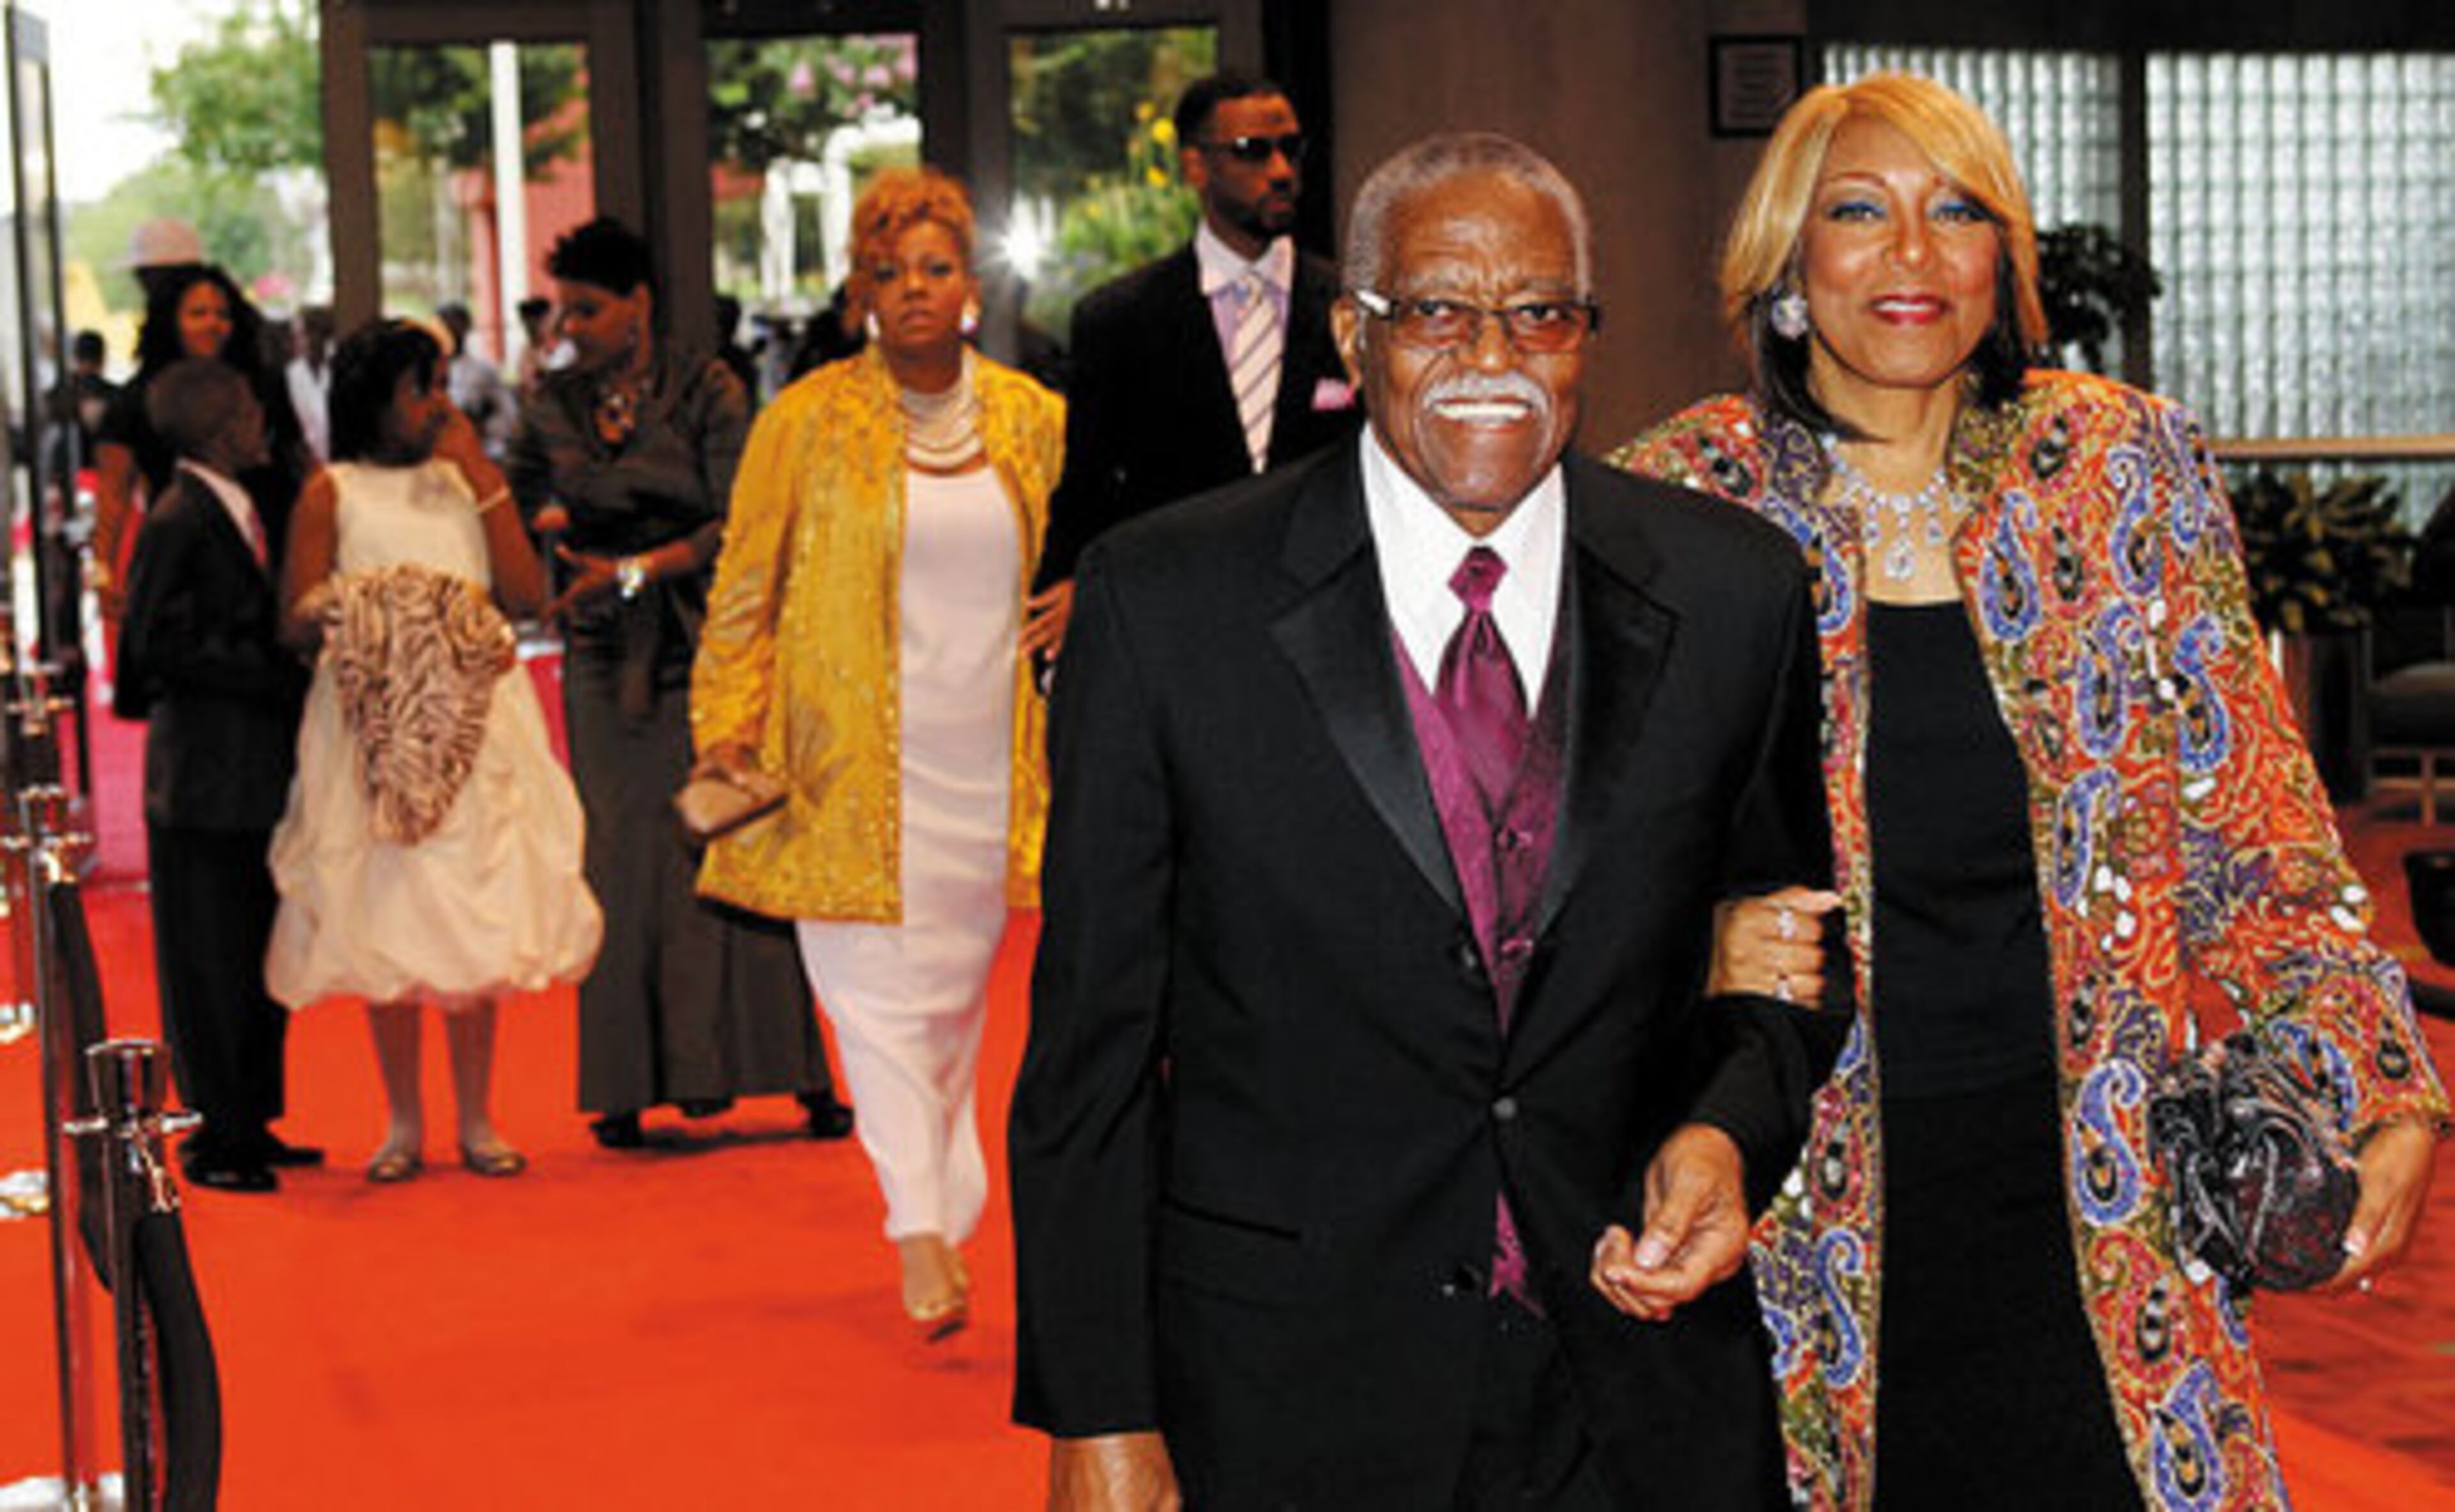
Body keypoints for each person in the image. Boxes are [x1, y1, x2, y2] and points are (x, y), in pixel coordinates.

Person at [1605, 74, 2450, 1510]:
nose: (1914, 255)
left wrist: (2392, 1091)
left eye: (1958, 213)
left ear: (2006, 261)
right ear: (1786, 262)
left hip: (2112, 1199)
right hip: (1812, 1210)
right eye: (1859, 212)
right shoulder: (1676, 506)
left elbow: (2259, 823)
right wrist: (1689, 945)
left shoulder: (2122, 469)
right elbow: (1560, 878)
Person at [1009, 132, 1846, 1509]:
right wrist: (1098, 1409)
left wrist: (1723, 1133)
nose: (1492, 353)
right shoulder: (1168, 605)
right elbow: (1091, 1054)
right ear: (1355, 327)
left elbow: (1789, 958)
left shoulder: (1731, 594)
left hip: (1632, 1375)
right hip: (1289, 1386)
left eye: (1541, 312)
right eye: (1438, 310)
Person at [694, 166, 1068, 1339]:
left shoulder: (1033, 419)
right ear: (860, 289)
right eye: (889, 271)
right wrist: (724, 731)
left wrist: (1084, 597)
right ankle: (917, 1221)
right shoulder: (801, 422)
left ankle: (937, 1186)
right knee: (869, 1003)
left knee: (947, 1010)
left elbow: (1090, 557)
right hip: (842, 765)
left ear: (973, 285)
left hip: (990, 761)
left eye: (937, 269)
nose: (913, 291)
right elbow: (744, 592)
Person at [507, 217, 850, 1150]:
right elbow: (520, 497)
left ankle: (796, 1076)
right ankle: (627, 1085)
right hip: (599, 654)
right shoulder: (552, 402)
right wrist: (552, 539)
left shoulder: (709, 388)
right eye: (563, 309)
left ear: (639, 304)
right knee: (620, 857)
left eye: (590, 308)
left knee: (731, 844)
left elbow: (742, 521)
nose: (572, 326)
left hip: (703, 642)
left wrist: (636, 566)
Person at [265, 318, 602, 1182]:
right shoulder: (329, 491)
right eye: (420, 389)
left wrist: (486, 479)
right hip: (373, 724)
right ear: (377, 400)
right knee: (387, 905)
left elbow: (526, 595)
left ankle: (479, 1115)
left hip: (475, 718)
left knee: (472, 896)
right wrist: (373, 614)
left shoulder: (464, 483)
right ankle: (403, 1120)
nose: (435, 405)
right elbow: (296, 616)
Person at [1034, 70, 1360, 603]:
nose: (1281, 171)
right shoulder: (1119, 320)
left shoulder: (1352, 309)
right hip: (1178, 610)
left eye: (1291, 149)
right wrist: (1070, 588)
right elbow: (1086, 489)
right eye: (1253, 151)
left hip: (1327, 607)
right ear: (1195, 165)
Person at [113, 359, 316, 1193]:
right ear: (218, 426)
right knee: (207, 961)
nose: (261, 419)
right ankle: (215, 1138)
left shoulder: (224, 508)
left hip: (247, 769)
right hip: (201, 776)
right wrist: (267, 667)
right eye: (245, 409)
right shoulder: (177, 518)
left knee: (255, 952)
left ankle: (251, 1118)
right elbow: (148, 652)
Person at [91, 265, 309, 628]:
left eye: (222, 314)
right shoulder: (136, 400)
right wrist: (103, 572)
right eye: (198, 313)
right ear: (170, 320)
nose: (212, 324)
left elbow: (298, 459)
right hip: (184, 554)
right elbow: (112, 495)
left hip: (270, 544)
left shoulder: (262, 385)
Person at [437, 300, 518, 459]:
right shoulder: (427, 372)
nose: (451, 331)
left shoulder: (482, 371)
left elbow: (508, 414)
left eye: (457, 326)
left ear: (467, 328)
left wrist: (482, 427)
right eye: (445, 326)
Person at [285, 304, 337, 463]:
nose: (306, 341)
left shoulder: (340, 370)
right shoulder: (289, 376)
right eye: (300, 335)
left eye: (312, 333)